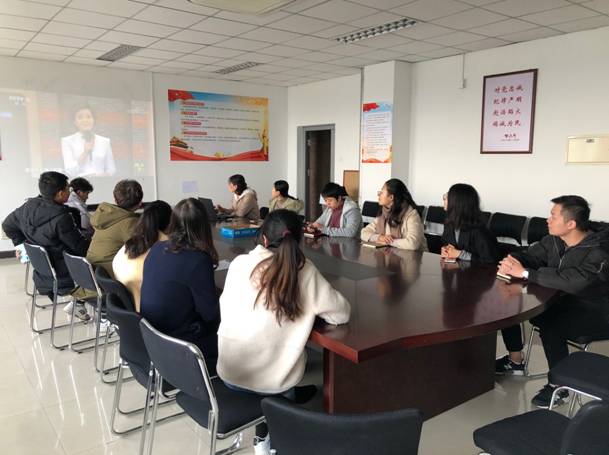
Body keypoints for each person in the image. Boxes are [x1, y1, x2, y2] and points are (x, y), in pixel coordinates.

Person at [217, 209, 350, 455]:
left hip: (231, 374)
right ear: (298, 240)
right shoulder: (304, 271)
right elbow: (341, 314)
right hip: (275, 383)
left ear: (264, 238)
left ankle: (266, 425)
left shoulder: (239, 264)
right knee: (280, 373)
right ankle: (269, 433)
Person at [496, 195, 609, 408]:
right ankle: (515, 361)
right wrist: (513, 261)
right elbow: (530, 256)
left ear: (571, 224)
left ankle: (560, 386)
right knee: (509, 305)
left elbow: (577, 282)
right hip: (564, 303)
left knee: (551, 326)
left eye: (553, 216)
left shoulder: (599, 251)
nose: (548, 219)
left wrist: (527, 273)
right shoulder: (554, 241)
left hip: (598, 311)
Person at [140, 198, 220, 372]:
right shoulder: (198, 260)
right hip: (183, 344)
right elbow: (210, 315)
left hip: (153, 336)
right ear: (204, 226)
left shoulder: (157, 248)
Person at [2, 171, 90, 319]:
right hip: (64, 273)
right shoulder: (62, 218)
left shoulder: (28, 206)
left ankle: (79, 303)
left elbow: (7, 225)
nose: (70, 192)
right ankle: (94, 309)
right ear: (60, 193)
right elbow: (81, 248)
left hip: (44, 271)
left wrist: (22, 246)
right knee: (102, 263)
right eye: (68, 189)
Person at [112, 200, 172, 312]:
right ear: (170, 223)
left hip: (127, 308)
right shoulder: (163, 248)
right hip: (145, 310)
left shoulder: (129, 244)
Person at [86, 179, 143, 278]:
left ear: (115, 199)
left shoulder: (105, 216)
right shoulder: (129, 223)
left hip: (92, 271)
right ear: (139, 202)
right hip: (109, 274)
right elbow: (143, 251)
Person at [440, 183, 499, 264]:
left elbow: (490, 260)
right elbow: (447, 244)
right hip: (456, 269)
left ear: (458, 203)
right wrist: (446, 251)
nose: (444, 199)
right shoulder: (449, 224)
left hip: (476, 271)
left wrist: (459, 254)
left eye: (447, 197)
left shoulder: (479, 231)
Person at [361, 178, 426, 250]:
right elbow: (363, 233)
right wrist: (380, 237)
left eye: (382, 192)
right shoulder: (384, 213)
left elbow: (413, 244)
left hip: (417, 256)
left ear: (391, 197)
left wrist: (389, 242)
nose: (378, 195)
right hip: (392, 253)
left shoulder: (411, 214)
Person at [61, 105, 116, 178]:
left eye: (88, 117)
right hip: (79, 183)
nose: (85, 120)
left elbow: (111, 169)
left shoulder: (105, 141)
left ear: (93, 120)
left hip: (102, 181)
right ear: (75, 122)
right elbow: (70, 171)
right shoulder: (67, 141)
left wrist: (98, 176)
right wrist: (85, 153)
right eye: (80, 117)